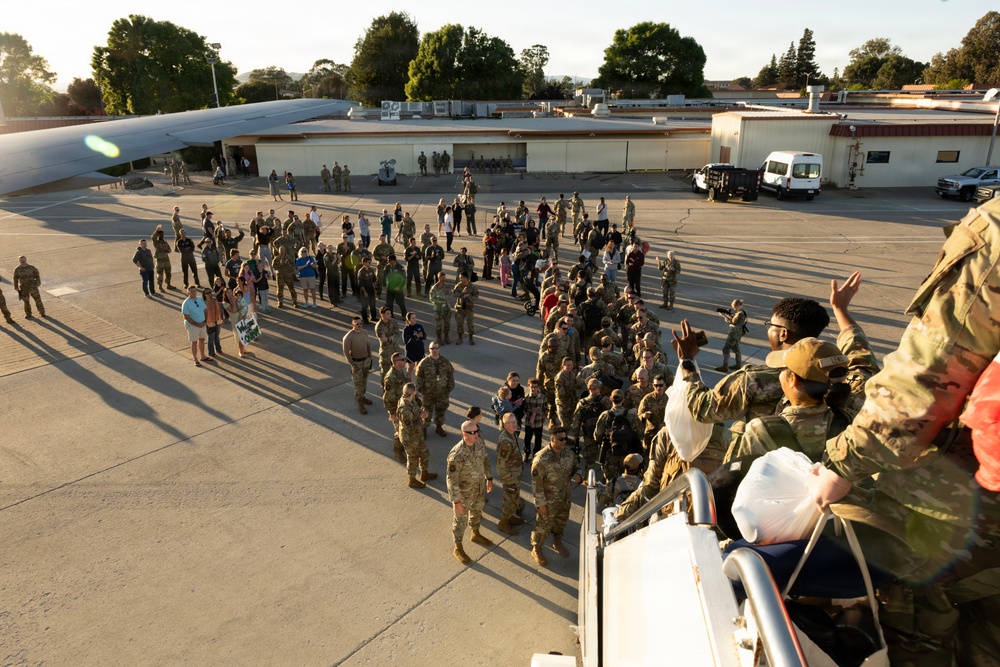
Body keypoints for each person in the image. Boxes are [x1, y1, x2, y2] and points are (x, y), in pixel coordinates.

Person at [530, 425, 582, 566]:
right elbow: (536, 485)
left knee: (561, 522)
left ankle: (557, 540)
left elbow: (577, 466)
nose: (564, 441)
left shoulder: (568, 454)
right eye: (561, 439)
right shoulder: (541, 459)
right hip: (548, 501)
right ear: (552, 439)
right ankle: (537, 548)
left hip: (565, 498)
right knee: (542, 526)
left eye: (565, 438)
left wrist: (578, 474)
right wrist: (540, 504)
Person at [447, 420, 494, 565]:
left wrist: (489, 478)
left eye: (476, 431)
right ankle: (458, 547)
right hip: (464, 494)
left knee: (477, 511)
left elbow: (485, 460)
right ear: (464, 434)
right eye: (472, 433)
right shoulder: (457, 455)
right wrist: (456, 501)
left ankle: (475, 533)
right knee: (460, 521)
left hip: (479, 488)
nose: (476, 435)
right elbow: (451, 479)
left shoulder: (479, 443)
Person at [594, 389, 642, 483]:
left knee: (611, 482)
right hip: (628, 453)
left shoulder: (605, 415)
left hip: (611, 454)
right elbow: (640, 432)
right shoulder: (631, 415)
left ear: (611, 398)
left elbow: (597, 435)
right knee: (628, 481)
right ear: (623, 400)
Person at [397, 382, 437, 488]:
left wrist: (420, 412)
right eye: (415, 389)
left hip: (417, 434)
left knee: (424, 453)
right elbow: (410, 427)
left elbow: (417, 409)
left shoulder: (411, 399)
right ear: (412, 392)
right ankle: (412, 479)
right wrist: (422, 418)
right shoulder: (405, 409)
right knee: (413, 458)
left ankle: (424, 473)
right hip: (409, 437)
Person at [415, 342, 455, 437]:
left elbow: (450, 376)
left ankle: (439, 427)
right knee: (426, 411)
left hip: (442, 393)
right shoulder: (424, 362)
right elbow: (419, 378)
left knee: (441, 411)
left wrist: (448, 389)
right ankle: (424, 428)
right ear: (429, 350)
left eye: (436, 348)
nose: (435, 350)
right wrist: (422, 391)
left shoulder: (445, 361)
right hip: (428, 393)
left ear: (439, 349)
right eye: (432, 348)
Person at [496, 413, 527, 536]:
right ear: (504, 425)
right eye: (510, 423)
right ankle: (504, 523)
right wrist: (506, 478)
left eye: (515, 421)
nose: (514, 424)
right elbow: (500, 463)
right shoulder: (505, 441)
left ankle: (510, 517)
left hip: (515, 474)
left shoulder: (511, 435)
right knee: (509, 500)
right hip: (510, 477)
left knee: (514, 498)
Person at [342, 316, 374, 414]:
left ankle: (363, 397)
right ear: (352, 325)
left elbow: (368, 346)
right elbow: (346, 352)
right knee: (358, 384)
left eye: (360, 324)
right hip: (356, 363)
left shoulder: (364, 333)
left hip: (365, 362)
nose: (359, 325)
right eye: (357, 324)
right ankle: (360, 404)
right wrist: (352, 364)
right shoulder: (348, 337)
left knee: (364, 382)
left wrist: (369, 357)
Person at [717, 299, 747, 372]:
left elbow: (733, 322)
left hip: (734, 333)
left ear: (738, 305)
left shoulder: (740, 313)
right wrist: (730, 315)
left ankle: (725, 366)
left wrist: (724, 316)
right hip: (738, 333)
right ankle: (738, 364)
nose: (734, 309)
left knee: (726, 349)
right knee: (736, 348)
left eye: (735, 307)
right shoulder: (743, 311)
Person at [181, 285, 208, 366]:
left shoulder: (200, 299)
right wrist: (196, 324)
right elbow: (186, 316)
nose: (193, 292)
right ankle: (195, 358)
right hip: (192, 325)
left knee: (202, 339)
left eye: (195, 291)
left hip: (202, 323)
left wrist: (205, 321)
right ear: (188, 292)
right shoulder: (186, 303)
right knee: (194, 342)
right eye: (191, 291)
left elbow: (205, 310)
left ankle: (202, 356)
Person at [523, 378, 549, 461]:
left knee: (538, 439)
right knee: (527, 438)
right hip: (529, 423)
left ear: (538, 387)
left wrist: (540, 412)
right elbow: (524, 409)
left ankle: (536, 454)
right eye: (532, 387)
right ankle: (526, 453)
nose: (533, 389)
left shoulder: (543, 398)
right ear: (528, 387)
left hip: (539, 422)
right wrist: (531, 411)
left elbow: (546, 410)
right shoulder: (526, 398)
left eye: (535, 387)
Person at [374, 307, 401, 384]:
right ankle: (384, 387)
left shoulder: (393, 322)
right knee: (385, 371)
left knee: (398, 368)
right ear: (382, 314)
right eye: (387, 314)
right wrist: (391, 338)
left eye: (390, 313)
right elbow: (383, 339)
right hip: (386, 351)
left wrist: (389, 338)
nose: (390, 315)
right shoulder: (379, 326)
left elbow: (397, 333)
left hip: (395, 349)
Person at [452, 272, 479, 345]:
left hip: (469, 308)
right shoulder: (458, 285)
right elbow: (454, 294)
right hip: (460, 308)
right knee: (459, 323)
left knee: (470, 323)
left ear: (466, 278)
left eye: (462, 277)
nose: (460, 279)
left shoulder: (472, 287)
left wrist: (469, 297)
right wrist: (462, 293)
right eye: (460, 277)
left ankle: (471, 337)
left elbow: (476, 297)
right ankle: (460, 338)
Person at [402, 311, 426, 379]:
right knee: (410, 368)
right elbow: (406, 341)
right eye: (413, 318)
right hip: (411, 351)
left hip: (419, 349)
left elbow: (424, 336)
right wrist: (416, 336)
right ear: (408, 320)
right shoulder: (406, 329)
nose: (415, 319)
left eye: (415, 317)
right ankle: (409, 382)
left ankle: (419, 381)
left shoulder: (419, 326)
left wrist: (421, 336)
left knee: (420, 367)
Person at [151, 227, 174, 292]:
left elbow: (169, 250)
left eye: (162, 235)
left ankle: (168, 284)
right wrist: (156, 231)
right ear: (158, 235)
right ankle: (160, 286)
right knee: (160, 274)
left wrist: (167, 250)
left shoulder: (165, 243)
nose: (162, 236)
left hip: (166, 260)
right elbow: (153, 237)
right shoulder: (156, 243)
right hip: (160, 261)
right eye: (160, 235)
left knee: (168, 273)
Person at [203, 287, 223, 357]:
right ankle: (211, 352)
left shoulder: (214, 300)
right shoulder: (204, 303)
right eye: (207, 293)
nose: (209, 294)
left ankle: (219, 349)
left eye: (210, 292)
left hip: (217, 320)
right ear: (204, 294)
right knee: (211, 337)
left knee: (217, 336)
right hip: (209, 322)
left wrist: (220, 318)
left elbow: (219, 310)